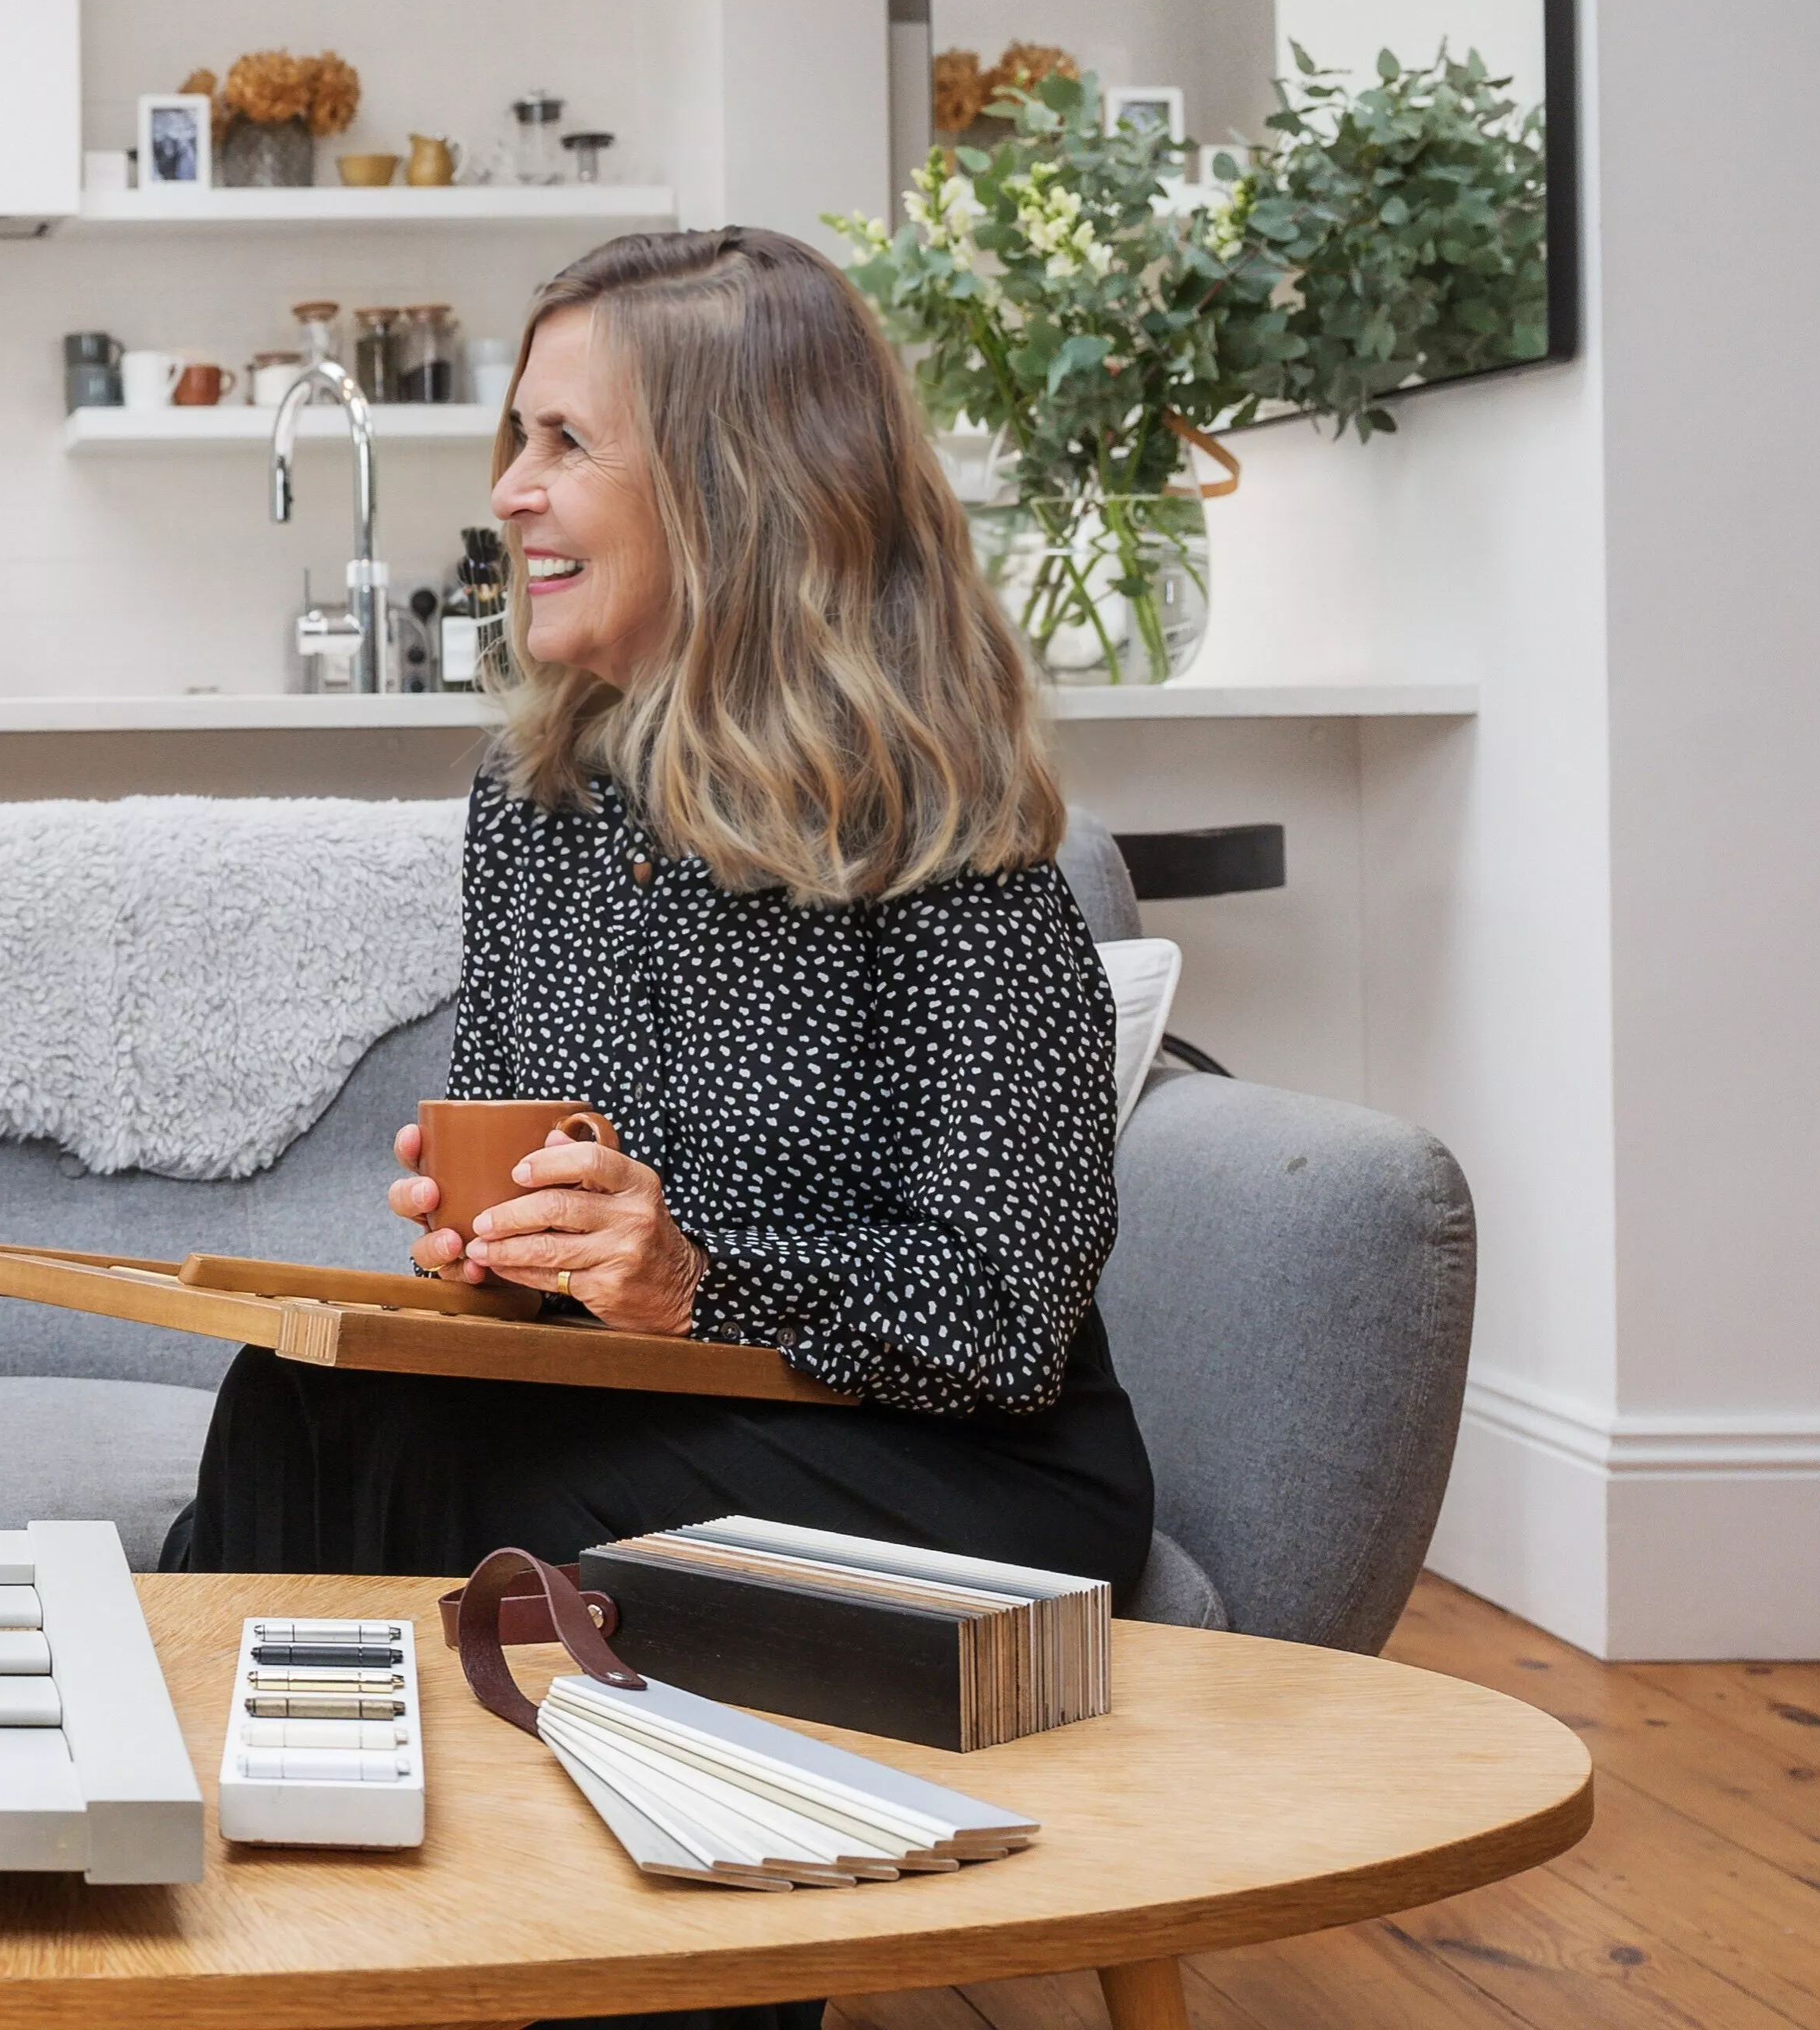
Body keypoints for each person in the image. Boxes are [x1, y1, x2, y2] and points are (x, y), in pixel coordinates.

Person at [166, 227, 1151, 2030]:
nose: (512, 494)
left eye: (562, 445)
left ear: (730, 486)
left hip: (958, 1461)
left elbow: (1006, 1311)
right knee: (301, 1398)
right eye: (511, 442)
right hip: (671, 1402)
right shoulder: (535, 797)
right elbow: (558, 1174)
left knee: (548, 1526)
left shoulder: (945, 825)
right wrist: (502, 1243)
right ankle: (244, 1951)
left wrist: (689, 1272)